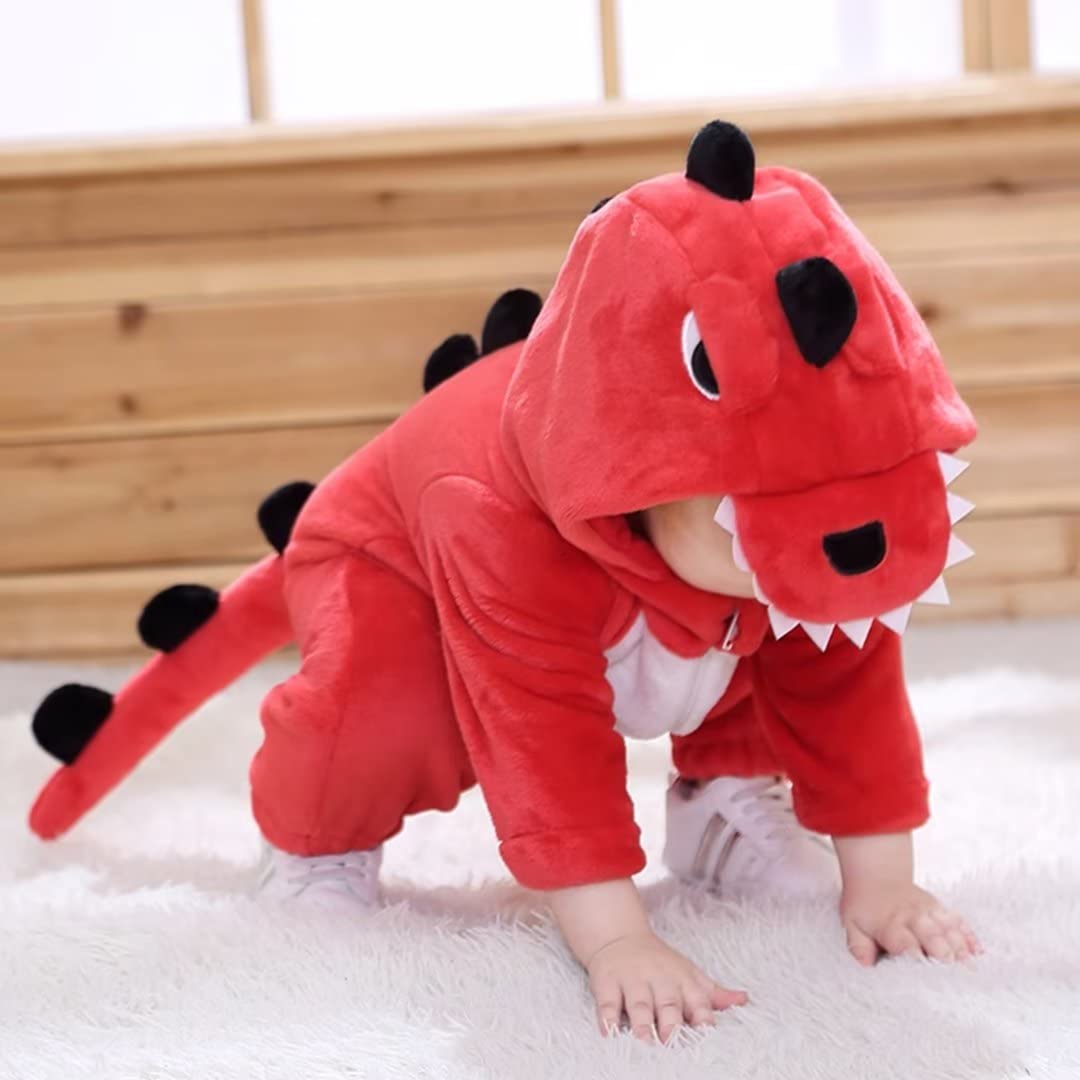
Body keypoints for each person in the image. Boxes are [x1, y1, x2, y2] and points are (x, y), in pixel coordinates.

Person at [29, 121, 981, 1044]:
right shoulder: (497, 517)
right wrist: (616, 940)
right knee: (388, 699)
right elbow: (542, 735)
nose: (811, 537)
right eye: (756, 510)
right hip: (392, 554)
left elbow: (848, 681)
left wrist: (883, 881)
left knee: (786, 621)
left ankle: (719, 802)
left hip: (652, 585)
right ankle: (314, 837)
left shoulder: (817, 516)